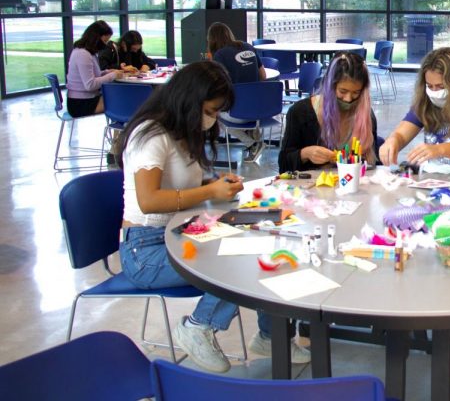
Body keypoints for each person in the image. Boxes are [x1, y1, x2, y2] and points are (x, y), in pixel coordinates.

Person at [116, 61, 311, 373]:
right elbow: (149, 199)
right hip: (145, 250)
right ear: (189, 101)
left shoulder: (183, 131)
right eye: (211, 110)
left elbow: (181, 186)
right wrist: (208, 193)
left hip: (182, 231)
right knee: (234, 264)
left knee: (264, 245)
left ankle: (271, 336)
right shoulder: (151, 135)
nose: (213, 118)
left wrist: (213, 186)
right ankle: (198, 327)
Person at [279, 52, 378, 172]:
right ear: (330, 85)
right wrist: (305, 154)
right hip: (311, 187)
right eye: (342, 91)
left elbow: (374, 165)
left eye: (356, 93)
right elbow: (284, 164)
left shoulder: (365, 116)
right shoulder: (300, 113)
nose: (348, 98)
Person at [207, 22, 267, 160]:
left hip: (238, 111)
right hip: (261, 108)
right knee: (243, 108)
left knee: (214, 113)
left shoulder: (220, 55)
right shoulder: (248, 47)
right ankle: (253, 134)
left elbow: (219, 85)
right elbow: (263, 76)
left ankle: (251, 143)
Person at [65, 20, 123, 117]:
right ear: (96, 38)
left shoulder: (85, 52)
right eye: (105, 41)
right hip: (80, 103)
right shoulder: (83, 54)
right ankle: (120, 130)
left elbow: (92, 75)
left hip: (84, 99)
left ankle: (118, 130)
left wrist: (107, 72)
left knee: (120, 98)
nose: (105, 44)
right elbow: (90, 84)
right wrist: (112, 76)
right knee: (124, 101)